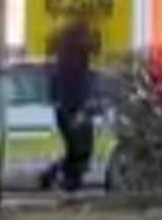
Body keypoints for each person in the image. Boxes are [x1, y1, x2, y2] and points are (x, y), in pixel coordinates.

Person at [40, 17, 97, 193]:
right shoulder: (76, 59)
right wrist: (80, 110)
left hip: (66, 109)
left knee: (75, 152)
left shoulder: (64, 58)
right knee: (78, 152)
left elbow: (58, 86)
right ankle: (63, 181)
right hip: (74, 108)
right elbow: (79, 86)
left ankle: (59, 179)